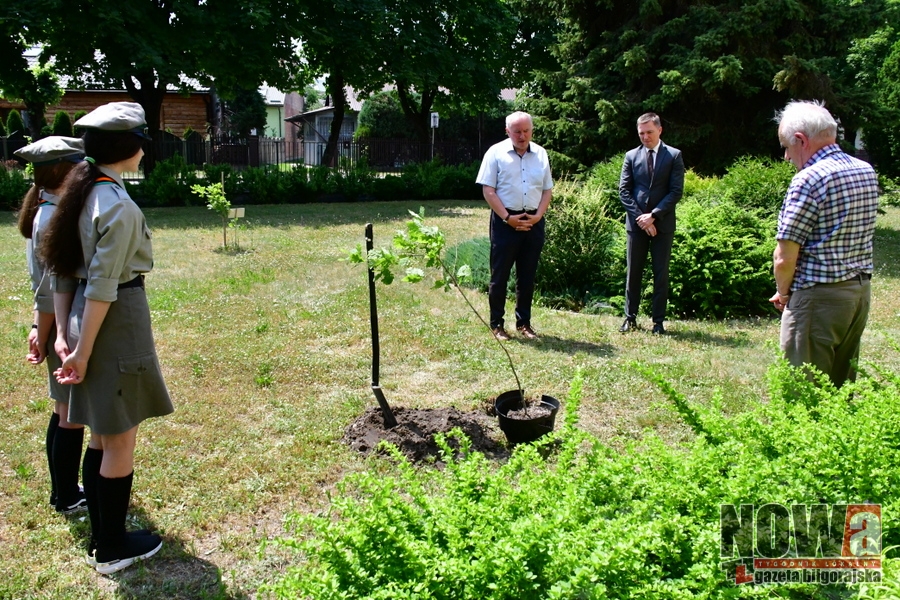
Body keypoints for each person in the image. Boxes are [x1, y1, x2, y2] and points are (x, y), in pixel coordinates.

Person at [42, 102, 174, 574]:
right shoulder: (114, 204)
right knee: (119, 438)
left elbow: (62, 270)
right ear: (130, 147)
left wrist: (66, 334)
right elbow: (104, 285)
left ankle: (103, 536)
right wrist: (80, 349)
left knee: (100, 434)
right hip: (115, 321)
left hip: (83, 316)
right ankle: (113, 549)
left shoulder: (81, 193)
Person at [769, 100, 878, 387]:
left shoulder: (809, 178)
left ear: (801, 141)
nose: (786, 156)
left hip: (818, 300)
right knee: (840, 390)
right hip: (858, 294)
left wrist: (782, 294)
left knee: (803, 392)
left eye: (786, 147)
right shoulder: (864, 170)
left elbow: (785, 256)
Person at [15, 136, 88, 515]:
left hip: (50, 323)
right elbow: (49, 289)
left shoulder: (46, 208)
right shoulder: (51, 218)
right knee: (69, 416)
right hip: (59, 326)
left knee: (63, 411)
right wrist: (44, 333)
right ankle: (66, 495)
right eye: (79, 164)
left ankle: (63, 490)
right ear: (63, 170)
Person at [475, 111, 553, 340]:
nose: (522, 135)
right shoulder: (495, 153)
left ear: (532, 130)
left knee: (527, 276)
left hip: (533, 222)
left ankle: (524, 323)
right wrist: (508, 217)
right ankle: (497, 324)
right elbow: (488, 190)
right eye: (517, 131)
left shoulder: (540, 154)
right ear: (507, 131)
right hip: (505, 222)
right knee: (499, 276)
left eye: (526, 131)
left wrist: (538, 215)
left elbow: (547, 189)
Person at [618, 112, 684, 335]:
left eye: (649, 132)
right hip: (636, 225)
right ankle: (630, 317)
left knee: (660, 273)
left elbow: (676, 191)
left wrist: (654, 216)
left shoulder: (674, 156)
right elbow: (624, 192)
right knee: (633, 272)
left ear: (659, 130)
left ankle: (658, 322)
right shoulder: (631, 156)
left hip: (662, 225)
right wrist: (642, 220)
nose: (645, 137)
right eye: (641, 133)